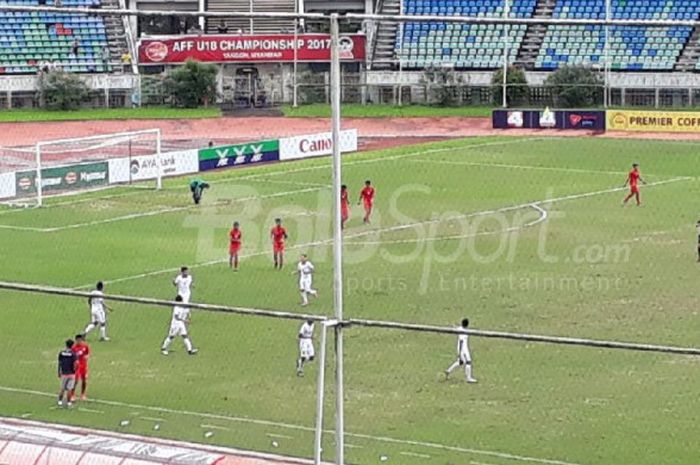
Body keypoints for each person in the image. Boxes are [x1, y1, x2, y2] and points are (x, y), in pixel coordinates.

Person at [444, 318, 477, 383]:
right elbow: (461, 341)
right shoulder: (464, 332)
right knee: (468, 362)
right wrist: (460, 352)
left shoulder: (460, 329)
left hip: (463, 348)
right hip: (463, 349)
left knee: (461, 362)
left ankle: (448, 371)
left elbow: (455, 327)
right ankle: (468, 378)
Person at [57, 339, 77, 407]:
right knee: (69, 389)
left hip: (64, 373)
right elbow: (75, 364)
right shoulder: (73, 354)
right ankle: (68, 402)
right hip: (71, 373)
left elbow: (59, 363)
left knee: (62, 388)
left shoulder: (61, 353)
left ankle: (60, 401)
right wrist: (75, 370)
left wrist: (59, 371)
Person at [70, 334, 90, 401]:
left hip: (83, 365)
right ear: (76, 340)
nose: (79, 341)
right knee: (75, 380)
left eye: (80, 340)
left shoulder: (85, 346)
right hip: (76, 366)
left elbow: (87, 353)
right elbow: (71, 357)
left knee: (84, 380)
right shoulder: (73, 348)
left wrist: (86, 357)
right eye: (78, 340)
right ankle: (72, 394)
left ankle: (83, 394)